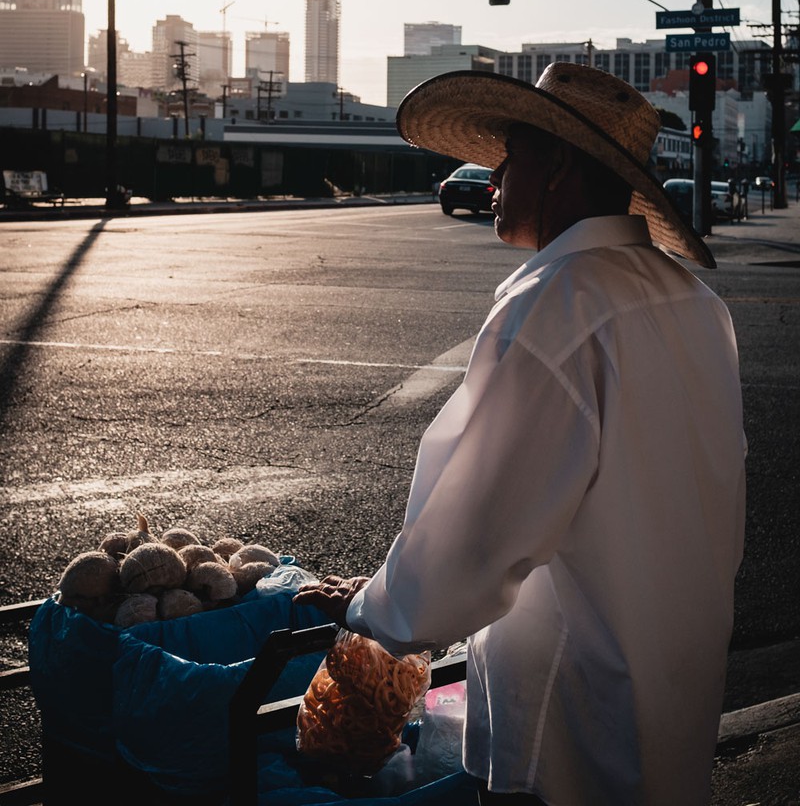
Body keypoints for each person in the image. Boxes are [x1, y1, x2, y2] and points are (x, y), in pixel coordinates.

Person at [294, 63, 746, 806]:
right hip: (673, 711)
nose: (494, 174)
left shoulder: (555, 306)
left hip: (568, 736)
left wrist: (370, 607)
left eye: (513, 153)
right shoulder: (697, 306)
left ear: (560, 164)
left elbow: (469, 546)